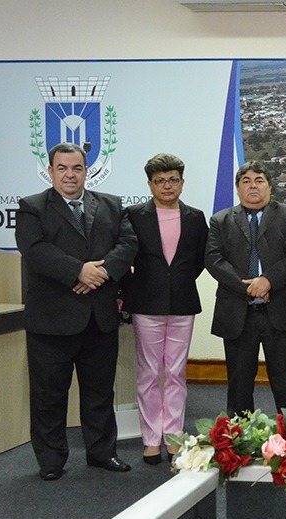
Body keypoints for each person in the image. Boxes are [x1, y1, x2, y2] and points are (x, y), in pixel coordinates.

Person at [15, 142, 137, 480]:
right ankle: (51, 461)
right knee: (49, 395)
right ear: (51, 170)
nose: (70, 175)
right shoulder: (32, 207)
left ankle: (102, 452)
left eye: (77, 168)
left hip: (99, 319)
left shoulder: (111, 204)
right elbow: (35, 251)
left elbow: (128, 245)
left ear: (87, 170)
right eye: (63, 168)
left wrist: (99, 273)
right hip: (52, 322)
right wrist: (78, 271)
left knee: (100, 392)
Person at [121, 153, 209, 465]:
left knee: (175, 372)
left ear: (182, 183)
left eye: (173, 180)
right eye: (160, 181)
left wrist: (175, 283)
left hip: (183, 302)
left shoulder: (196, 217)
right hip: (146, 302)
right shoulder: (133, 215)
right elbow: (125, 258)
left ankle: (172, 437)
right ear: (150, 184)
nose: (167, 185)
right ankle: (150, 439)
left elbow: (198, 261)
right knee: (148, 372)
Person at [205, 161, 286, 419]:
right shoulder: (220, 220)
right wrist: (248, 287)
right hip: (238, 313)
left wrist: (268, 281)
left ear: (269, 186)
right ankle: (239, 442)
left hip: (279, 311)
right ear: (238, 188)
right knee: (239, 384)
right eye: (246, 181)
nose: (253, 186)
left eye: (259, 180)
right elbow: (214, 260)